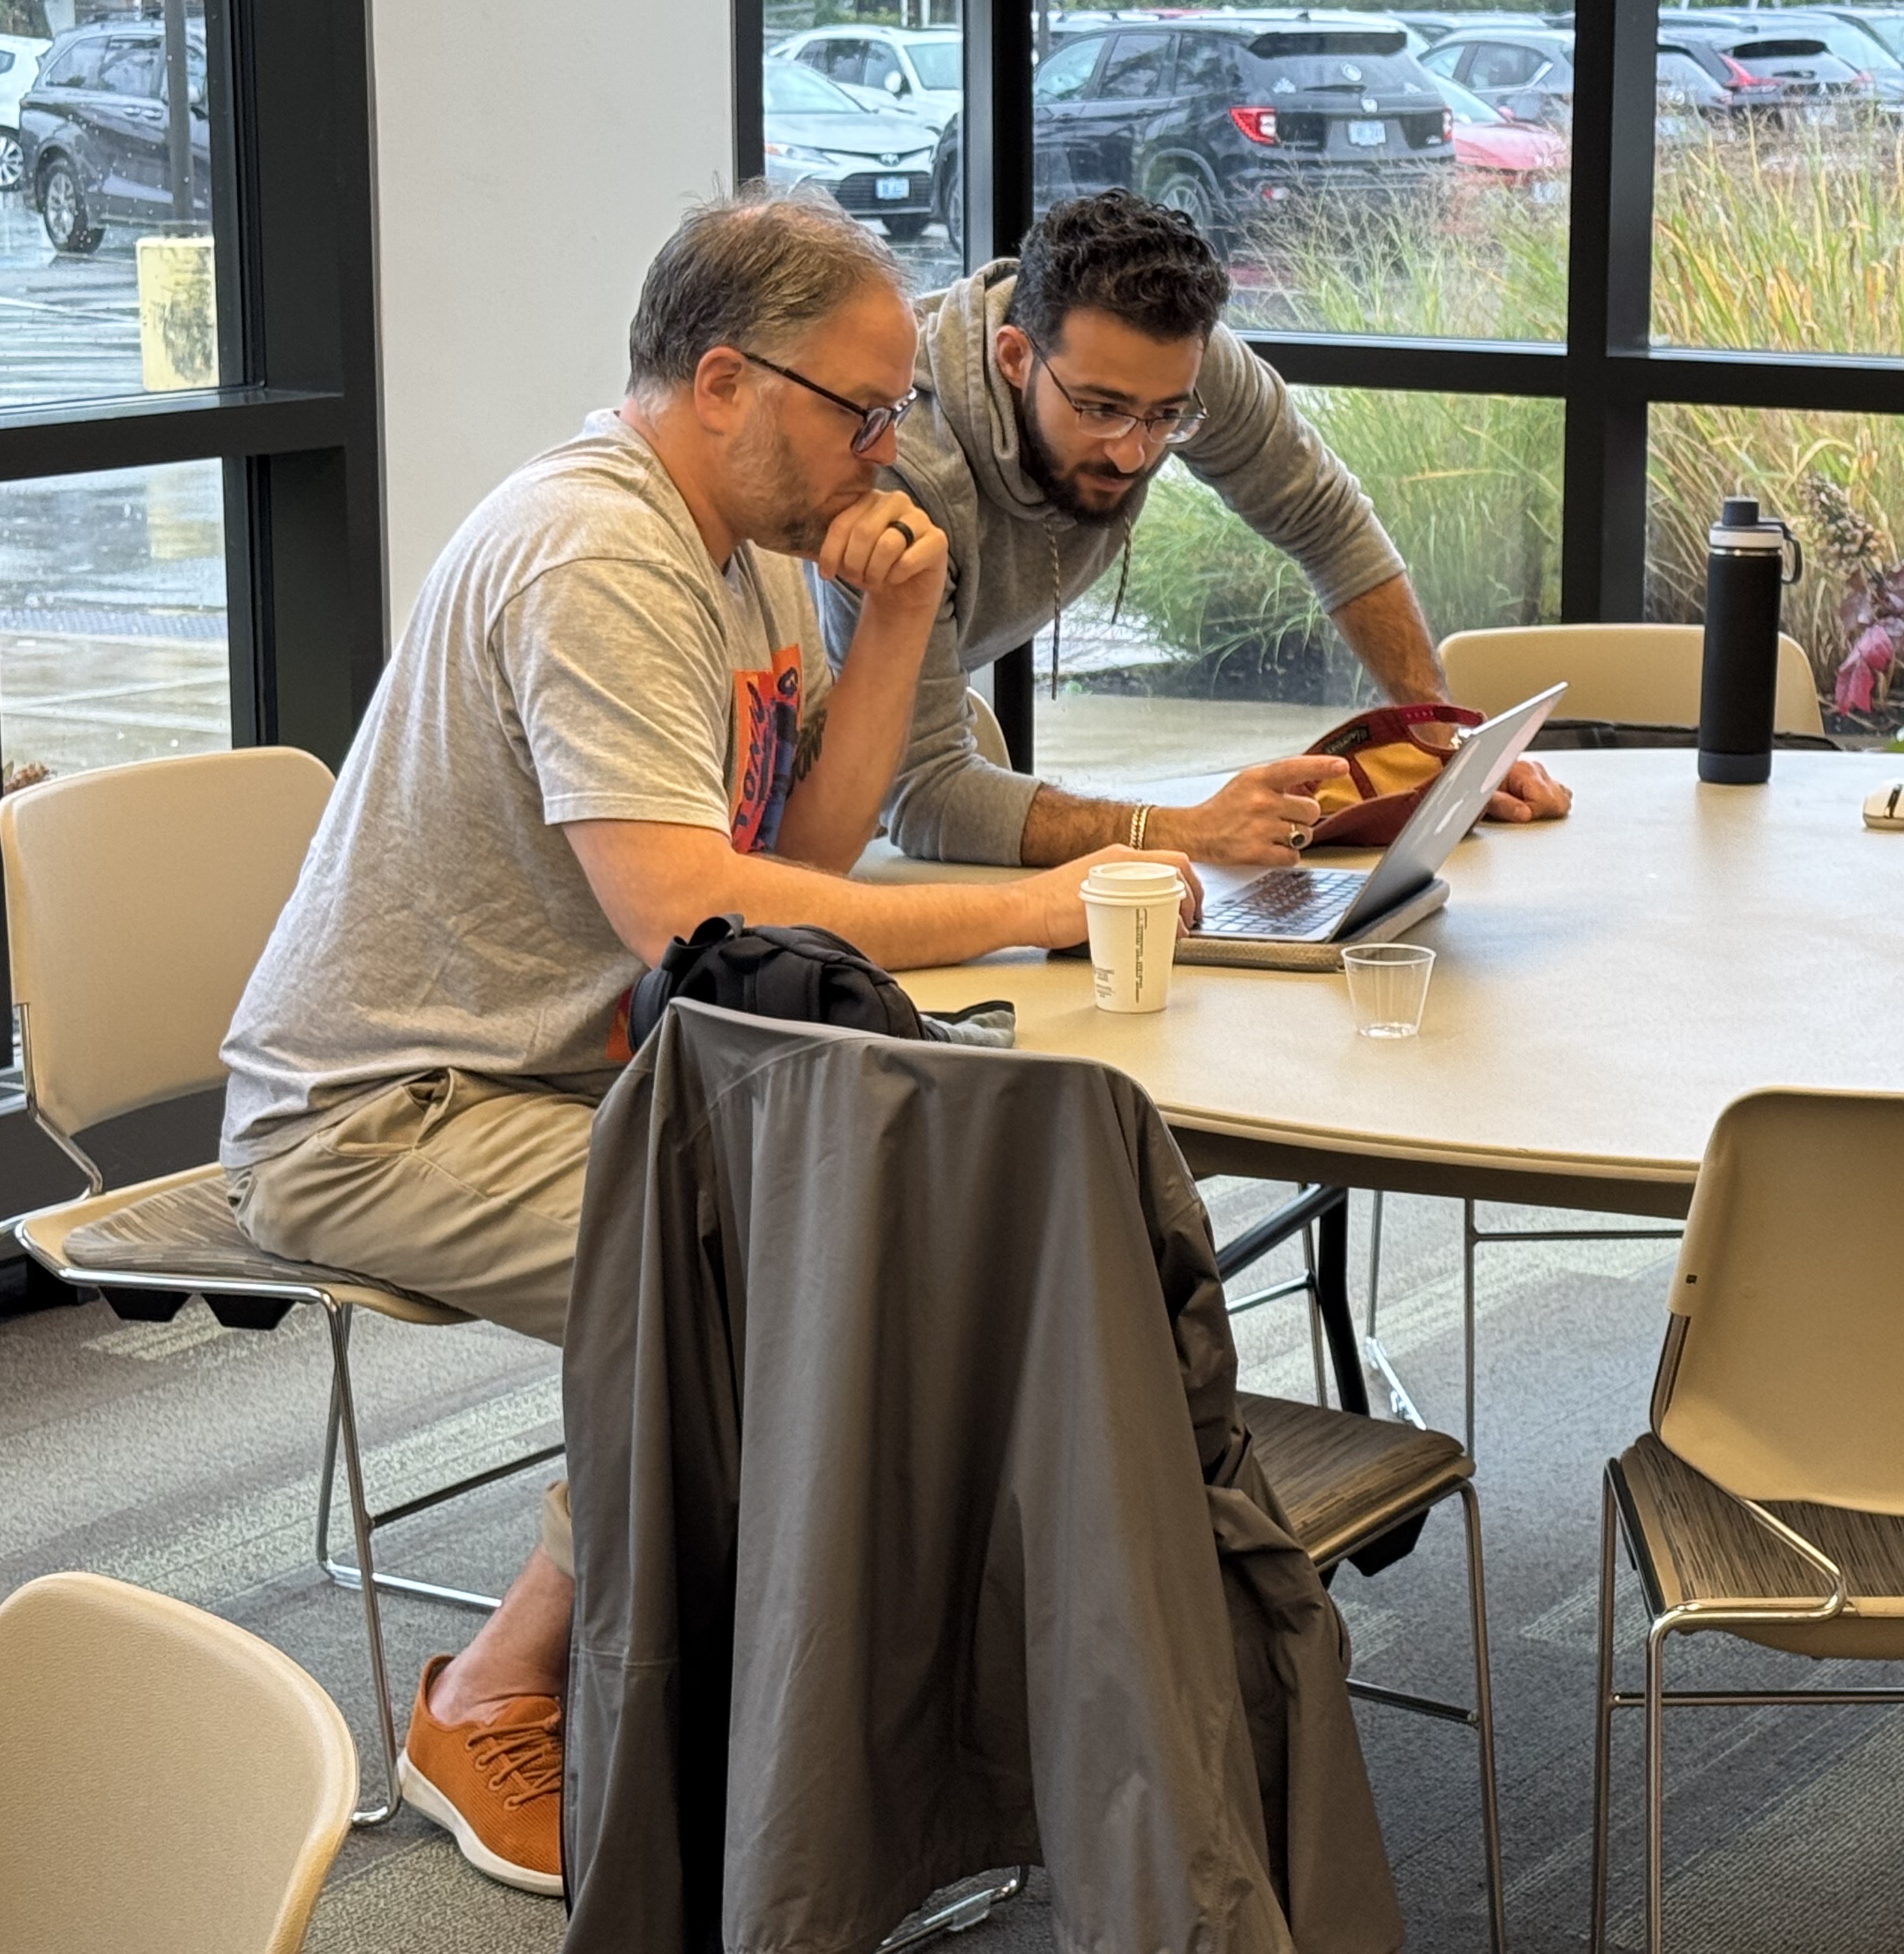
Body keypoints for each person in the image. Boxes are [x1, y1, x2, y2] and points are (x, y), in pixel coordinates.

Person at [218, 193, 1191, 1899]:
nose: (892, 451)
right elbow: (684, 911)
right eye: (867, 411)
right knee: (764, 1264)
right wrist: (1042, 908)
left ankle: (823, 1703)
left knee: (866, 1215)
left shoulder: (738, 557)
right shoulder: (598, 552)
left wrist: (899, 626)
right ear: (729, 383)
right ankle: (494, 1693)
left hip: (563, 1079)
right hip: (384, 1117)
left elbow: (789, 880)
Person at [820, 187, 1573, 869]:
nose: (1133, 451)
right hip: (783, 777)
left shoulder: (1173, 364)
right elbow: (924, 795)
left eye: (1164, 417)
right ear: (1015, 358)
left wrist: (1438, 748)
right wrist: (1182, 830)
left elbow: (1327, 522)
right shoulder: (903, 464)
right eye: (1100, 408)